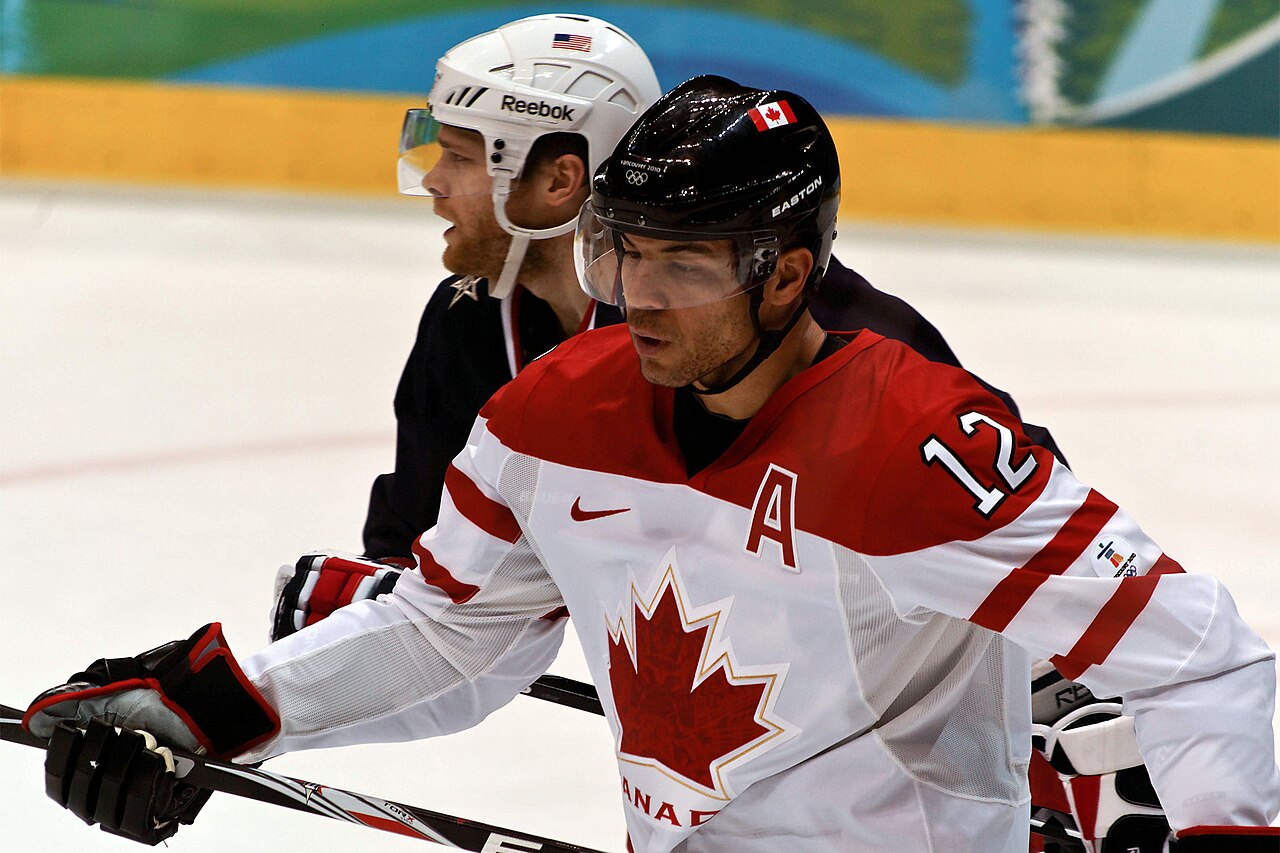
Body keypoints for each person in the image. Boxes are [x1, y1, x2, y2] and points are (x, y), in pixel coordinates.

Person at [24, 77, 1278, 851]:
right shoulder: (548, 412)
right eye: (621, 251)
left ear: (787, 273)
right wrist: (222, 705)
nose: (634, 296)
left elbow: (1201, 655)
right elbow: (447, 634)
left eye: (681, 262)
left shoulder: (910, 436)